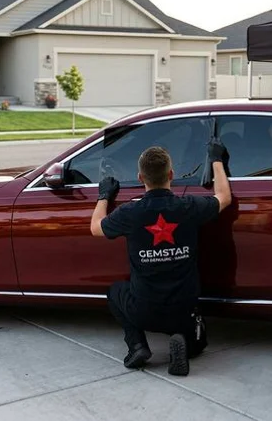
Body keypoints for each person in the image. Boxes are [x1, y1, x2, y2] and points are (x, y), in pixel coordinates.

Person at [90, 141, 232, 376]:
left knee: (115, 291)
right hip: (184, 309)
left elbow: (96, 228)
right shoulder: (188, 206)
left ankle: (137, 345)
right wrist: (216, 159)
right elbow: (224, 197)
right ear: (171, 174)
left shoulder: (129, 213)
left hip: (143, 309)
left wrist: (104, 195)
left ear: (140, 177)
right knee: (198, 341)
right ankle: (185, 343)